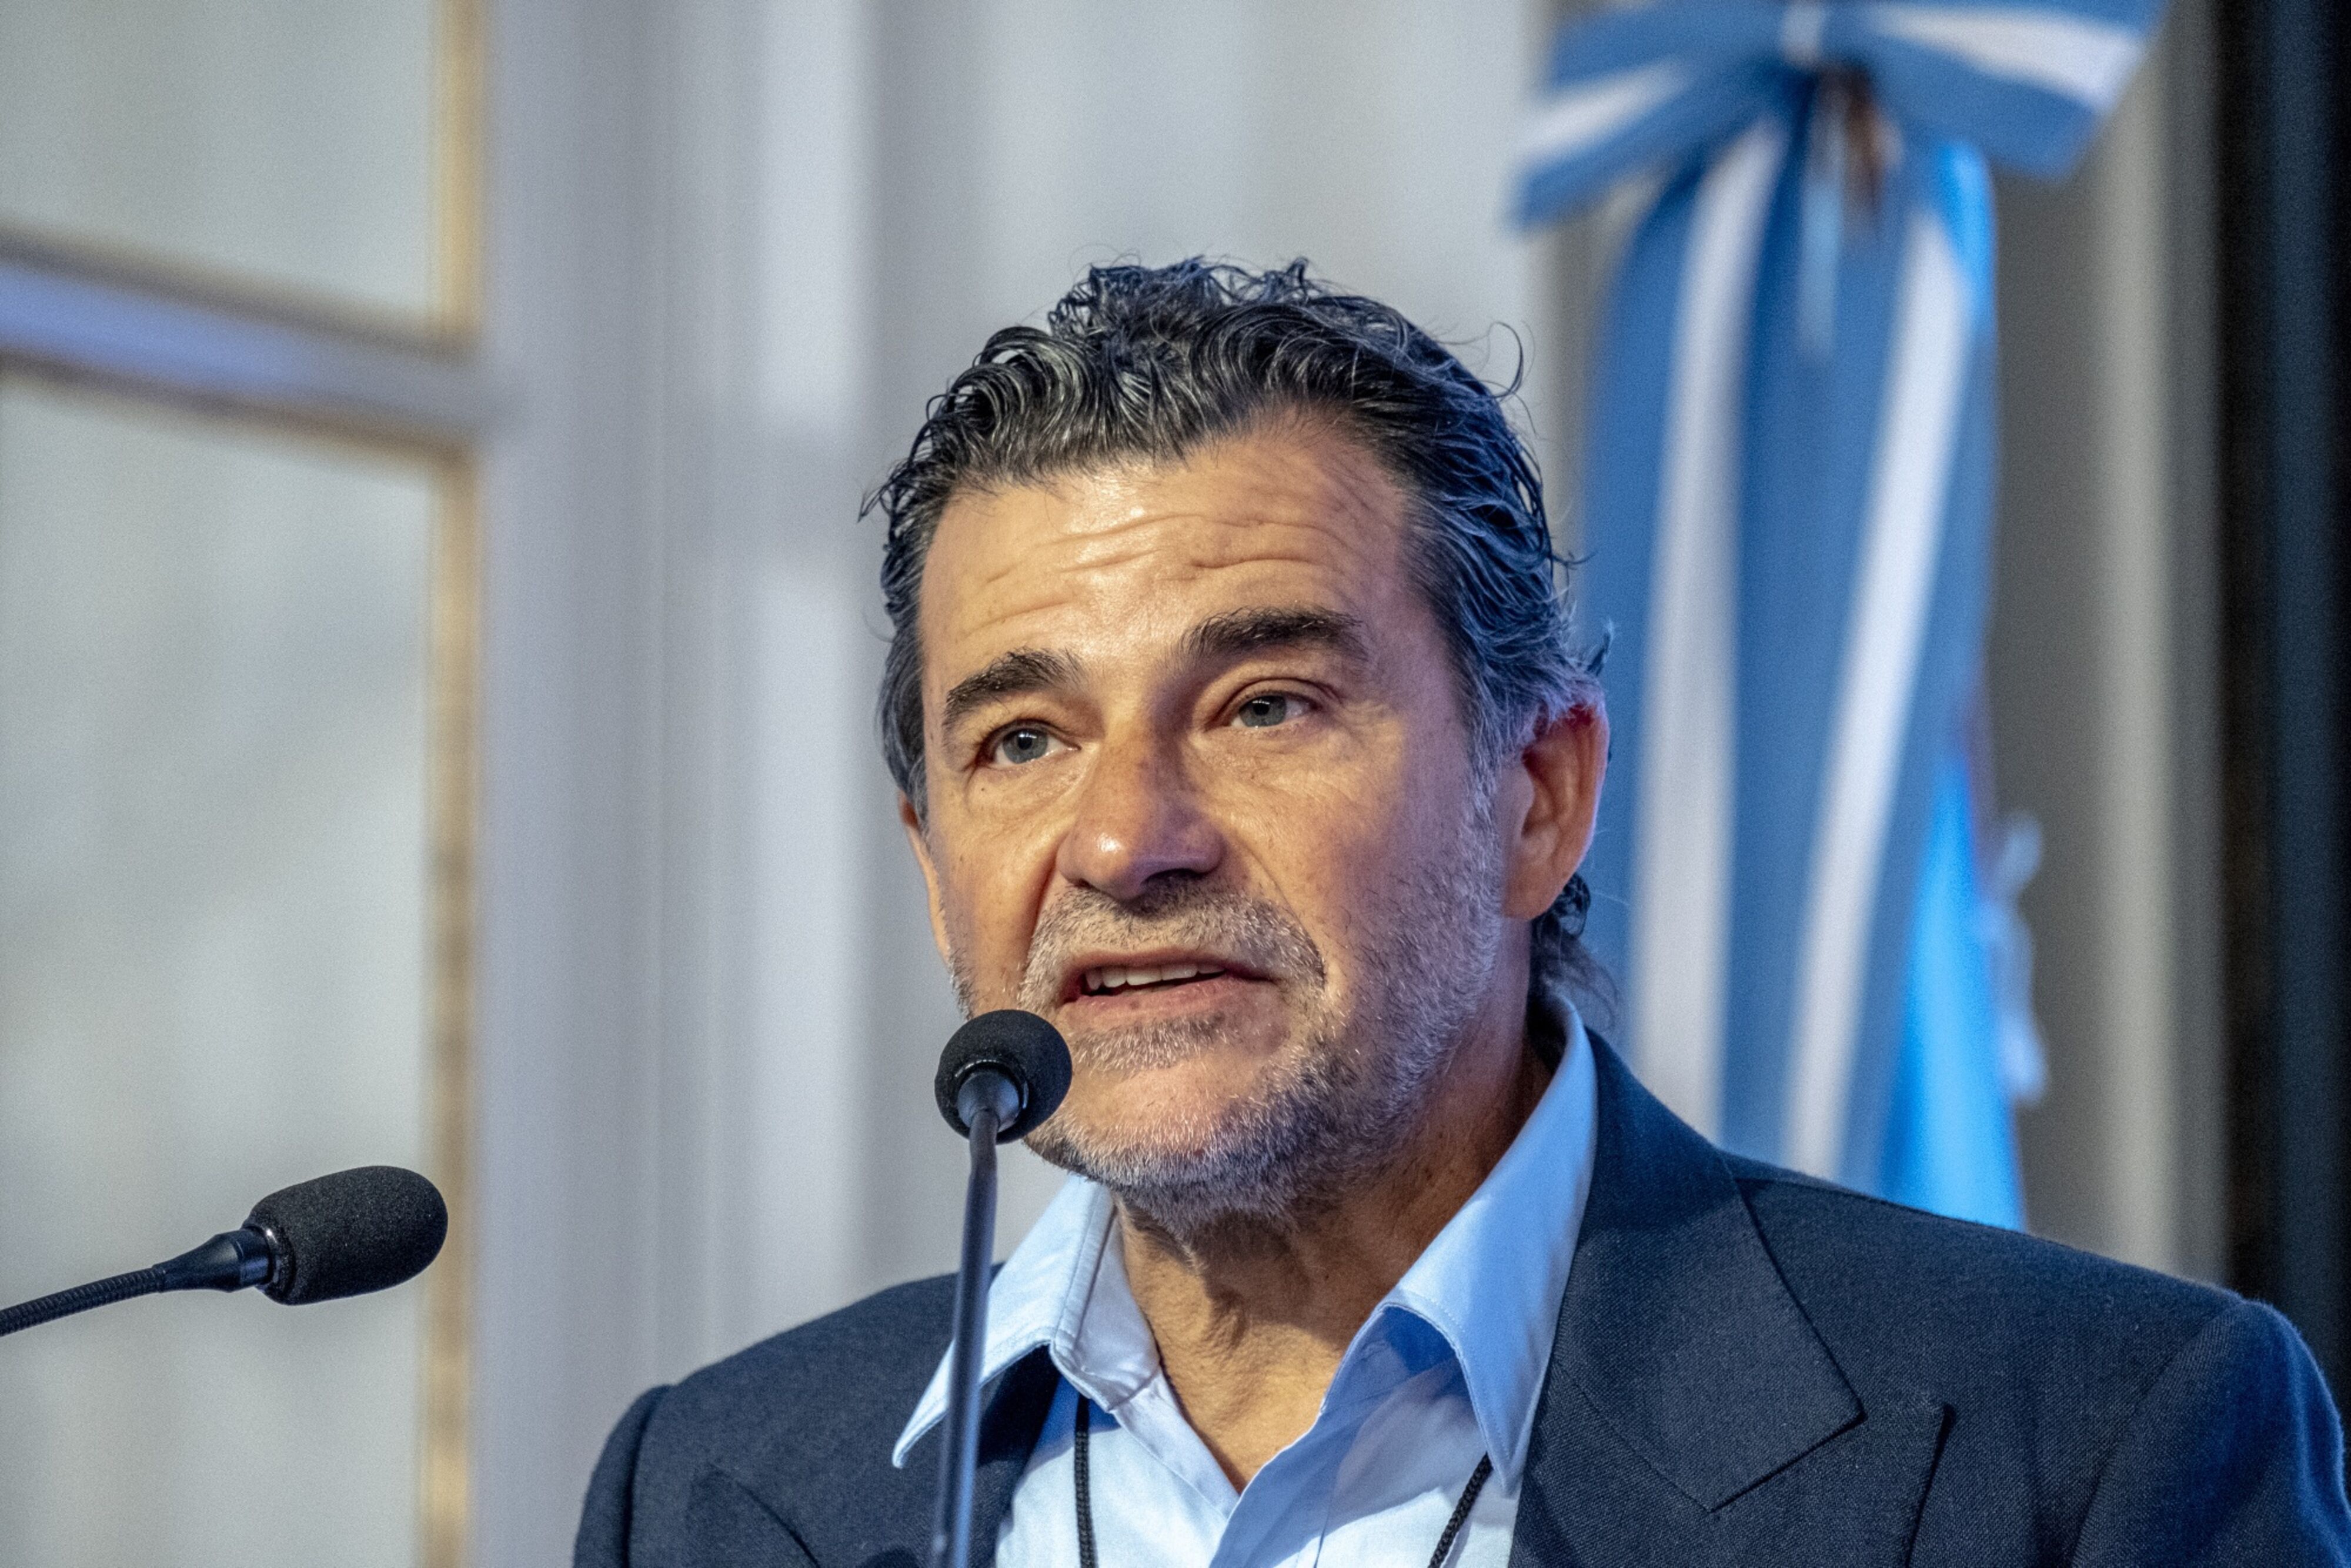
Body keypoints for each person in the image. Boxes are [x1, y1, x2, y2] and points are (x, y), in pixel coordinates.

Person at [575, 260, 2351, 1566]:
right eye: (1023, 739)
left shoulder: (2086, 1448)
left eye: (1265, 704)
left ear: (1539, 795)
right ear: (930, 857)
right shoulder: (715, 1493)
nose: (1122, 841)